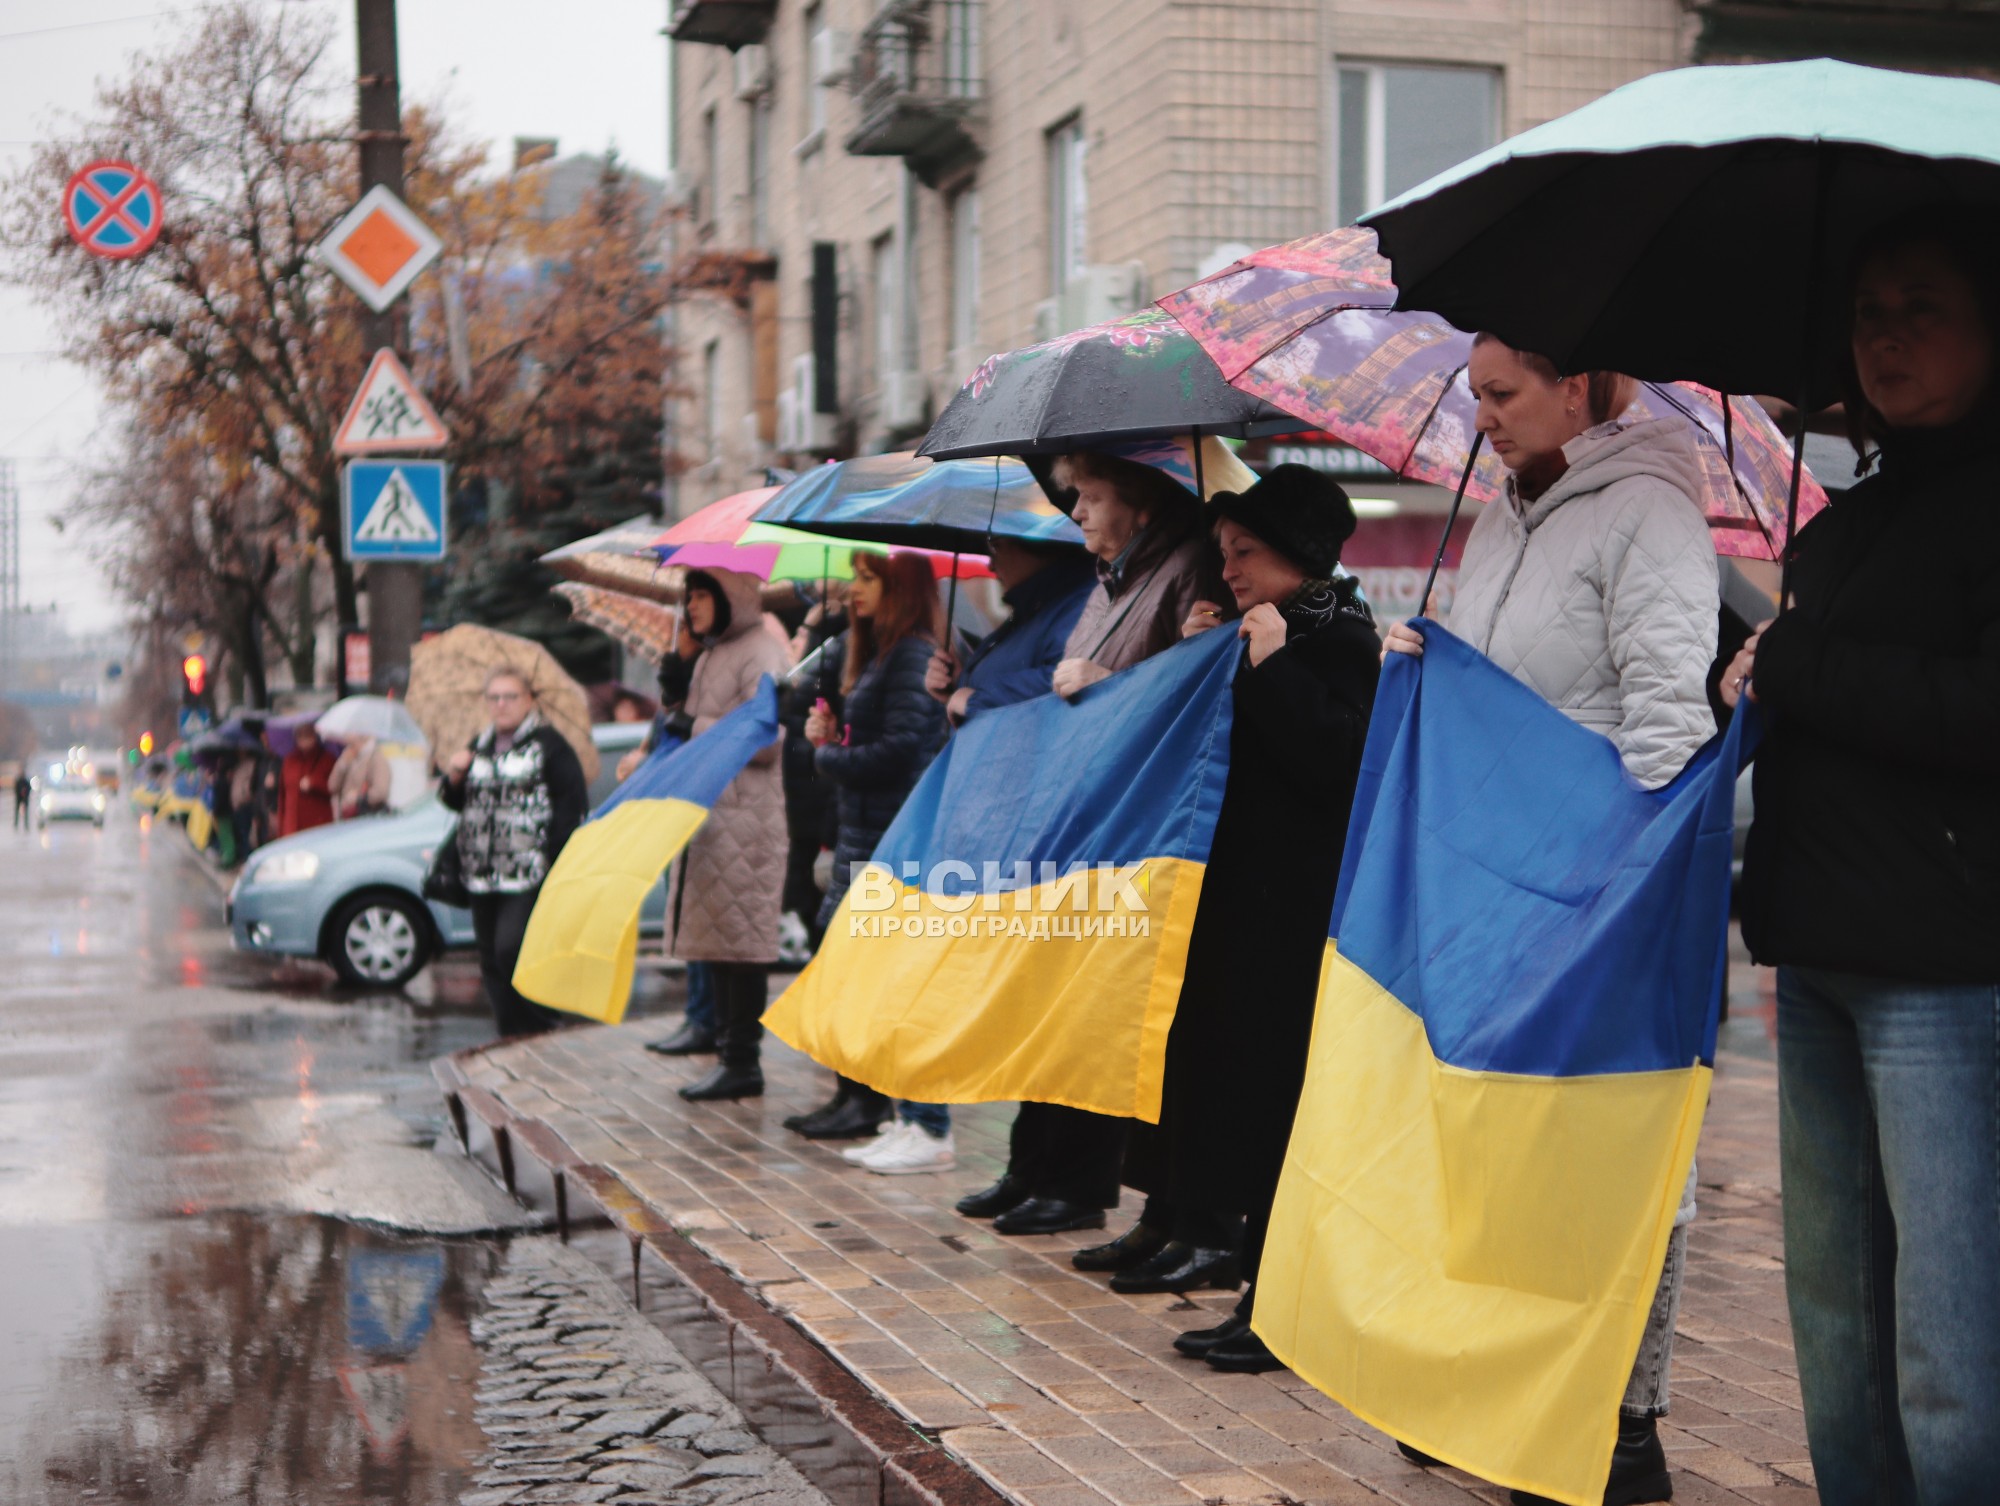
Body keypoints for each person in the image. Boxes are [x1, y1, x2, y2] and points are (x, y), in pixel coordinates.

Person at [1384, 334, 1718, 1505]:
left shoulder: (1648, 511)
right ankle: (1503, 1380)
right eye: (1473, 394)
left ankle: (1621, 1421)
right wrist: (1431, 661)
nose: (1480, 417)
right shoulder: (1503, 511)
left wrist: (1619, 882)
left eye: (1501, 394)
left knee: (1615, 1146)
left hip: (1600, 885)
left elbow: (1668, 720)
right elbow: (1508, 675)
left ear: (1577, 384)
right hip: (1499, 877)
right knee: (1502, 1134)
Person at [1721, 212, 2000, 1506]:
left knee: (1953, 1346)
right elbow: (1827, 700)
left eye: (1921, 305)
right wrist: (1758, 676)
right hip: (1818, 954)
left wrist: (1802, 663)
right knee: (1835, 1330)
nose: (1884, 334)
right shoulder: (1836, 525)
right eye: (1869, 310)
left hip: (1946, 970)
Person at [1065, 467, 1379, 1369]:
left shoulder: (1337, 635)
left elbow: (1336, 759)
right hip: (1244, 908)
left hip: (1297, 917)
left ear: (1298, 555)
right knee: (1241, 1100)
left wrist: (1272, 661)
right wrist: (1206, 658)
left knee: (1283, 1108)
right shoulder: (1253, 630)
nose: (1229, 568)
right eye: (1225, 551)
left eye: (1245, 552)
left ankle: (1279, 1307)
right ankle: (1255, 1286)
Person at [980, 450, 1227, 1242]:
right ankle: (1042, 1166)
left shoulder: (1187, 565)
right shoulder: (1108, 579)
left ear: (1141, 506)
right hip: (1089, 815)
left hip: (1142, 827)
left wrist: (1103, 684)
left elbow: (1194, 684)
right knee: (1057, 997)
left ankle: (1084, 1182)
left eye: (1090, 496)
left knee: (1102, 1006)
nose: (1076, 512)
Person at [791, 552, 950, 1167]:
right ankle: (890, 1109)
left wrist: (828, 754)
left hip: (893, 841)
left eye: (867, 579)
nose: (855, 590)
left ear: (900, 589)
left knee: (893, 985)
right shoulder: (881, 653)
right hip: (868, 837)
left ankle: (921, 1122)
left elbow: (902, 750)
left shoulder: (911, 654)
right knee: (862, 980)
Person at [654, 569, 792, 1101]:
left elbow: (766, 739)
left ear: (728, 597)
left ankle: (742, 1061)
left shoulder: (760, 651)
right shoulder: (714, 652)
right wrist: (674, 698)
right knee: (719, 942)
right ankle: (726, 1051)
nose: (690, 606)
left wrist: (692, 724)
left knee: (741, 944)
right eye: (687, 596)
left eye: (700, 595)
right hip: (714, 817)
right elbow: (693, 725)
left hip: (746, 820)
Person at [441, 668, 589, 1037]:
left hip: (528, 869)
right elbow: (454, 801)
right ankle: (510, 1032)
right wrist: (455, 776)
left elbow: (571, 803)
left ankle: (540, 1023)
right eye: (494, 697)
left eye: (510, 696)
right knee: (490, 956)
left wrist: (555, 859)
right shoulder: (480, 743)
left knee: (512, 949)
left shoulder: (548, 744)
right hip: (481, 869)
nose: (501, 704)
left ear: (529, 701)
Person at [926, 538, 1094, 727]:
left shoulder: (1077, 604)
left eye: (996, 547)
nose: (990, 565)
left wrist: (977, 700)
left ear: (1038, 544)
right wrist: (959, 682)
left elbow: (1067, 679)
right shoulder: (1033, 608)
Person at [276, 722, 338, 838]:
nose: (303, 739)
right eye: (300, 735)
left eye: (307, 735)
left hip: (318, 826)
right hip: (292, 827)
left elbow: (334, 788)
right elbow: (283, 796)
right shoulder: (289, 760)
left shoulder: (327, 759)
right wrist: (281, 829)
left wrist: (314, 783)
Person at [330, 734, 391, 819]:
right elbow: (332, 787)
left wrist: (358, 798)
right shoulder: (349, 757)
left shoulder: (376, 758)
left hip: (367, 818)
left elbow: (381, 792)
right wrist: (342, 764)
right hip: (348, 818)